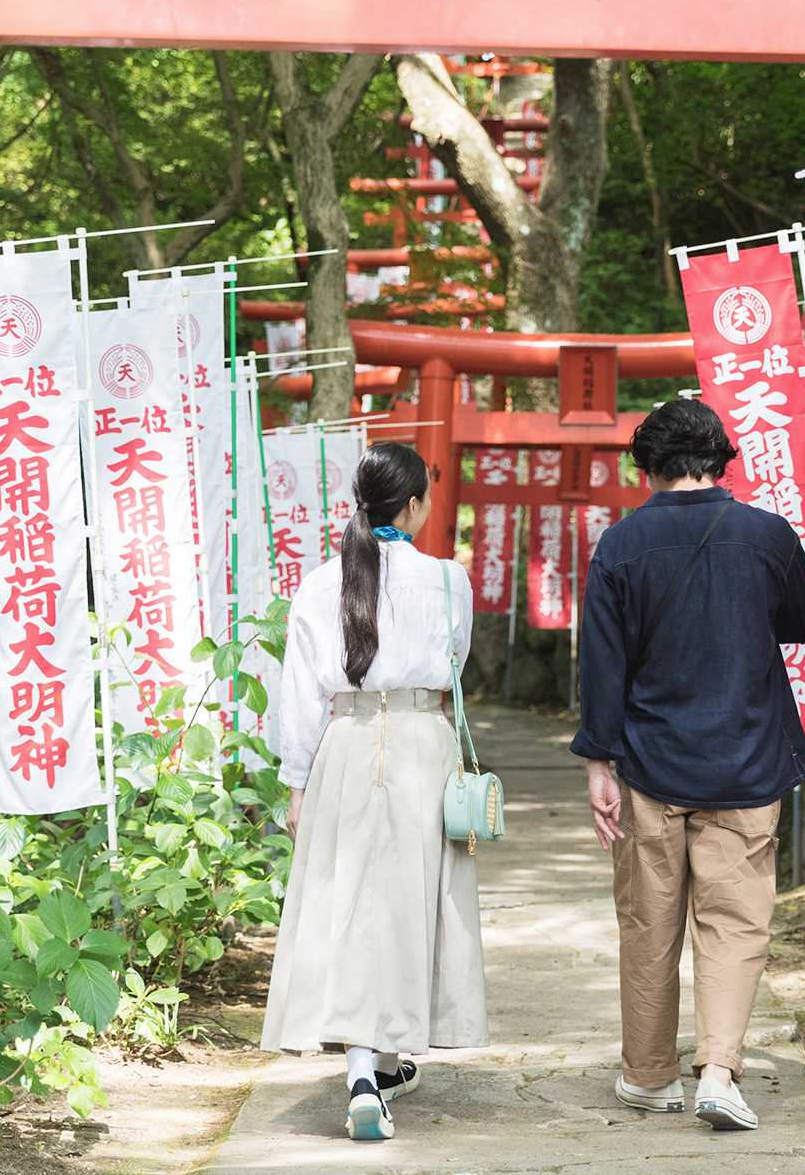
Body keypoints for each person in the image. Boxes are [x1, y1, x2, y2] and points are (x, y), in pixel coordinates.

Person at [570, 399, 805, 1132]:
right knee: (735, 923)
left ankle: (649, 1076)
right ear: (720, 459)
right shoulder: (766, 534)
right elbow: (804, 622)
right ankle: (718, 1070)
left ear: (646, 467)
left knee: (649, 922)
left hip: (650, 766)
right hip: (746, 762)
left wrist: (598, 763)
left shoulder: (621, 545)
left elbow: (603, 668)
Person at [260, 442, 488, 1142]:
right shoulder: (450, 581)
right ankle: (372, 1063)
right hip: (424, 741)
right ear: (415, 504)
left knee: (352, 902)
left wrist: (294, 783)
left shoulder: (321, 583)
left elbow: (299, 697)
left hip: (348, 745)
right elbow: (455, 664)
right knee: (410, 902)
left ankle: (375, 1063)